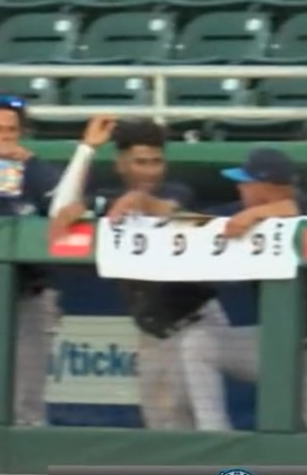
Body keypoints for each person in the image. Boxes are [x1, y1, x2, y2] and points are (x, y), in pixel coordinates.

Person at [108, 147, 307, 435]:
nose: (239, 187)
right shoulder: (239, 212)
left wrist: (259, 214)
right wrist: (146, 203)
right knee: (200, 344)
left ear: (266, 186)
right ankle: (216, 436)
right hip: (275, 347)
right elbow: (193, 219)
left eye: (246, 182)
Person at [49, 116, 217, 430]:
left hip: (198, 326)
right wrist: (86, 149)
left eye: (156, 161)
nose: (150, 170)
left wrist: (130, 201)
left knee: (207, 426)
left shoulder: (177, 190)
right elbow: (59, 213)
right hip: (152, 335)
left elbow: (169, 207)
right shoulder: (108, 198)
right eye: (141, 162)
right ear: (122, 164)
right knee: (162, 427)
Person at [0, 95, 61, 426]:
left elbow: (69, 204)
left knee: (27, 398)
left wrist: (32, 165)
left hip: (30, 297)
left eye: (11, 129)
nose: (5, 136)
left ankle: (28, 469)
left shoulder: (36, 173)